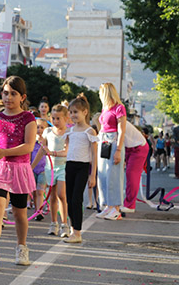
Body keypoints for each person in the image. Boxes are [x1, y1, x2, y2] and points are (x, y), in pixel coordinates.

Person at [0, 75, 37, 270]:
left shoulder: (28, 118)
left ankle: (22, 247)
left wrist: (4, 152)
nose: (8, 97)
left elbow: (29, 146)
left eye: (13, 94)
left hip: (20, 170)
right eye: (5, 93)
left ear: (22, 97)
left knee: (19, 213)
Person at [64, 95, 98, 243]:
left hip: (82, 167)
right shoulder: (70, 131)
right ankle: (73, 230)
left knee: (77, 199)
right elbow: (66, 150)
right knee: (69, 199)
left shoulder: (90, 131)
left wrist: (93, 175)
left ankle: (77, 232)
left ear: (85, 112)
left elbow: (94, 154)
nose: (73, 115)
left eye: (76, 112)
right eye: (71, 112)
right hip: (69, 166)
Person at [33, 104, 70, 237]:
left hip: (63, 167)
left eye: (58, 118)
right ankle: (54, 223)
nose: (55, 121)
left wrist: (52, 153)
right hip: (50, 168)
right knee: (52, 196)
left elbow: (66, 152)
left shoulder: (68, 133)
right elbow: (42, 150)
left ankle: (64, 224)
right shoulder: (48, 132)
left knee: (61, 195)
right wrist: (31, 166)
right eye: (53, 118)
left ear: (66, 118)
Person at [96, 83, 126, 221]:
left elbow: (121, 130)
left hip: (113, 141)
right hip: (103, 141)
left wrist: (118, 150)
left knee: (113, 175)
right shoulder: (105, 108)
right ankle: (108, 205)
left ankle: (116, 208)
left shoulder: (119, 108)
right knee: (102, 175)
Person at [122, 123, 149, 213]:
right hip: (131, 147)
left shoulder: (117, 119)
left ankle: (130, 205)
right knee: (130, 175)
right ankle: (128, 203)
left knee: (132, 175)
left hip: (138, 147)